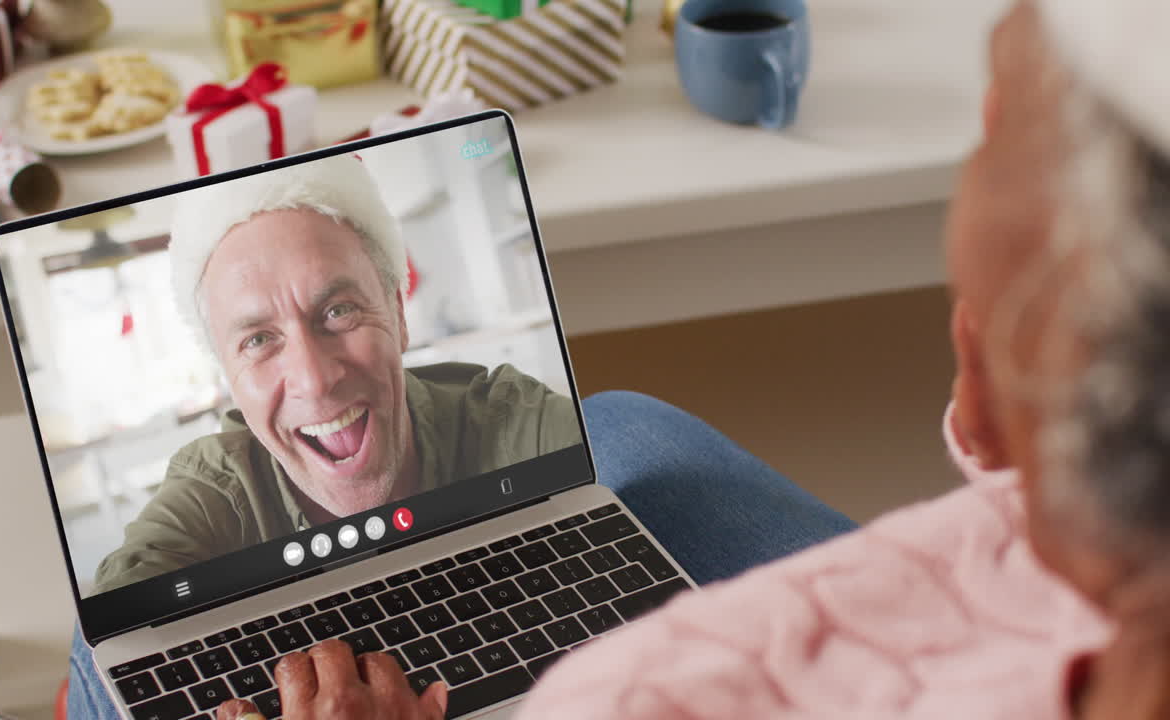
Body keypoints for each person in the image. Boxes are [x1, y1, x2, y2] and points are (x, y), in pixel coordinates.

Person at [177, 0, 1170, 718]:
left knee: (119, 674)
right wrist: (1031, 441)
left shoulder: (631, 697)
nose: (308, 376)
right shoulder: (204, 481)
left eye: (1005, 113)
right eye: (256, 339)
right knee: (615, 428)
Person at [91, 155, 582, 595]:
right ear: (229, 378)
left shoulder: (507, 420)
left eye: (339, 311)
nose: (314, 379)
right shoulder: (214, 494)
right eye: (258, 340)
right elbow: (124, 604)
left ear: (397, 313)